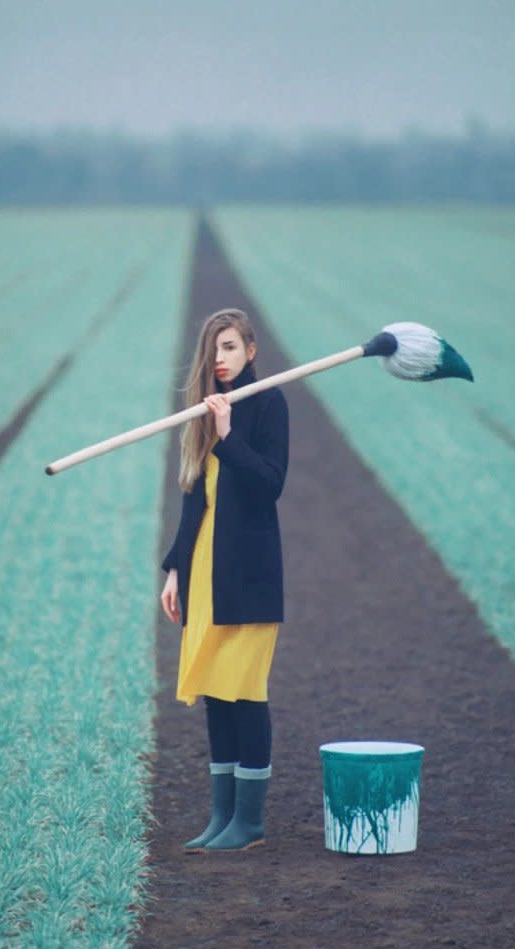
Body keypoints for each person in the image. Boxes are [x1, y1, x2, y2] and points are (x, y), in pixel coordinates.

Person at [160, 307, 289, 852]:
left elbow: (269, 486)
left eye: (231, 347)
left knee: (243, 692)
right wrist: (173, 569)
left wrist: (228, 435)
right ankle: (222, 816)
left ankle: (250, 823)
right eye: (214, 349)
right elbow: (196, 499)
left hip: (248, 576)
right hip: (204, 575)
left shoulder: (267, 403)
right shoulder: (203, 411)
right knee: (216, 693)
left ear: (251, 351)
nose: (220, 358)